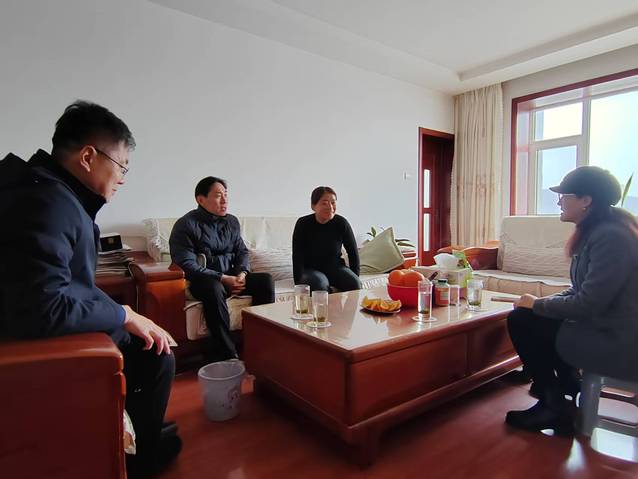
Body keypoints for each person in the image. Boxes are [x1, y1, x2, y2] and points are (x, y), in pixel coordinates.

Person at [0, 101, 181, 476]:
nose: (123, 178)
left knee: (144, 336)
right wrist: (121, 314)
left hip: (36, 322)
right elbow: (43, 307)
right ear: (87, 157)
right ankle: (141, 460)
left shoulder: (40, 188)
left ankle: (137, 430)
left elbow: (69, 283)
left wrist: (128, 313)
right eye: (121, 166)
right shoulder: (49, 205)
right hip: (35, 344)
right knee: (156, 354)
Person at [505, 166, 638, 435]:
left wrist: (537, 305)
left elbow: (588, 304)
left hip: (619, 343)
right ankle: (565, 385)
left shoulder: (610, 237)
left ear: (586, 200)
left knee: (522, 319)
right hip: (608, 329)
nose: (558, 202)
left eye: (563, 196)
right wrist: (540, 301)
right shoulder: (602, 231)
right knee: (532, 314)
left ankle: (553, 403)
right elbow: (579, 289)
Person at [170, 176, 275, 361]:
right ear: (200, 199)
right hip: (203, 280)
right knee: (214, 288)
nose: (225, 200)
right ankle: (227, 354)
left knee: (265, 281)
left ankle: (260, 343)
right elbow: (187, 264)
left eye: (226, 194)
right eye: (218, 195)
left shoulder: (232, 222)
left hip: (232, 276)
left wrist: (242, 273)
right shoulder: (185, 225)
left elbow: (242, 251)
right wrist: (222, 278)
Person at [293, 186, 361, 292]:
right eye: (324, 203)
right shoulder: (303, 224)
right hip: (311, 271)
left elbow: (353, 253)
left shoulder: (341, 223)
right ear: (313, 206)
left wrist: (355, 276)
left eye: (333, 202)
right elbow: (297, 255)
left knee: (355, 284)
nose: (330, 207)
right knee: (321, 287)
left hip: (336, 268)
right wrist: (298, 281)